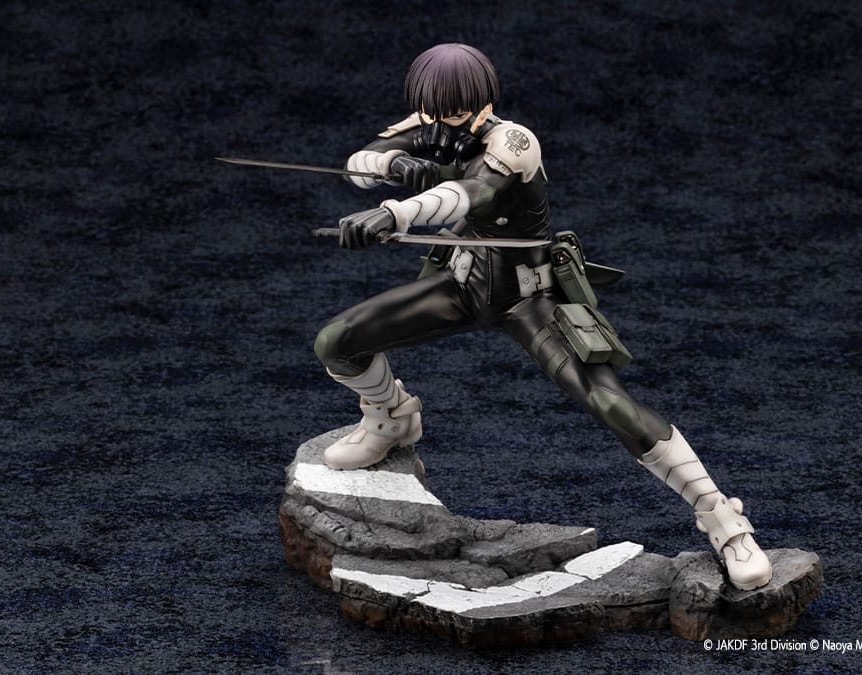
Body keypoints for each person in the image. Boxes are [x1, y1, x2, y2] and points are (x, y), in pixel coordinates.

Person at [313, 43, 772, 590]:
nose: (443, 122)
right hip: (461, 284)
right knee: (337, 341)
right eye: (434, 110)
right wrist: (392, 164)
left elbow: (469, 194)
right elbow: (358, 163)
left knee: (611, 402)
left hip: (529, 297)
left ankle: (722, 518)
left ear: (483, 103)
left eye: (455, 111)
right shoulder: (429, 124)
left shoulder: (514, 142)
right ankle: (391, 418)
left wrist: (395, 213)